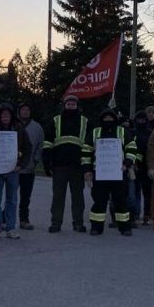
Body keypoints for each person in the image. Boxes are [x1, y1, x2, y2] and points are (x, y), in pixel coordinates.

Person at [0, 103, 31, 240]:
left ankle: (10, 228)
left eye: (7, 114)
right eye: (2, 115)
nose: (5, 117)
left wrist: (21, 165)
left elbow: (27, 148)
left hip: (13, 170)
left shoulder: (19, 129)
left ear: (11, 116)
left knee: (12, 200)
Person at [43, 95, 92, 233]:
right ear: (64, 105)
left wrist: (88, 165)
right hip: (59, 165)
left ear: (77, 105)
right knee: (58, 196)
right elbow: (47, 142)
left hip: (78, 165)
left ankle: (78, 223)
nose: (70, 105)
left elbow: (90, 143)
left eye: (73, 103)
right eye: (68, 103)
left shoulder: (85, 121)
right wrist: (47, 163)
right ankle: (56, 223)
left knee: (78, 197)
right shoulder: (55, 120)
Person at [85, 108, 137, 236]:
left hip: (119, 172)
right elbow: (86, 152)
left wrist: (127, 163)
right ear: (101, 120)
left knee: (121, 201)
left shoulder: (123, 132)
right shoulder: (94, 132)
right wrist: (87, 170)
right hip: (99, 173)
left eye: (110, 118)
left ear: (115, 119)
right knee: (99, 201)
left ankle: (125, 227)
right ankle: (96, 227)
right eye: (105, 118)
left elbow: (132, 148)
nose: (108, 120)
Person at [17, 102, 44, 230]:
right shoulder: (13, 125)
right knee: (10, 196)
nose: (25, 112)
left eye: (27, 109)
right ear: (19, 112)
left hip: (28, 168)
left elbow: (40, 145)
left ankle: (24, 219)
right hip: (13, 168)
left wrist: (35, 159)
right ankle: (5, 219)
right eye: (23, 110)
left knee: (25, 196)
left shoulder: (37, 127)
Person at [130, 110, 154, 225]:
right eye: (139, 119)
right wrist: (133, 162)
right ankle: (135, 214)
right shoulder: (131, 132)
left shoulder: (151, 133)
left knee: (148, 192)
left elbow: (153, 150)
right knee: (134, 193)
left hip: (148, 166)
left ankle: (147, 215)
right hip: (134, 167)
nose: (141, 121)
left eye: (143, 120)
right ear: (135, 121)